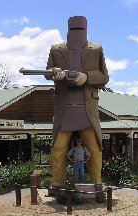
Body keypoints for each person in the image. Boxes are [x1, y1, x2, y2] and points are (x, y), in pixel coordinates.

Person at [45, 16, 109, 189]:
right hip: (64, 111)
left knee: (95, 149)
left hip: (87, 110)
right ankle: (57, 183)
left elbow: (104, 77)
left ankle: (97, 182)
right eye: (74, 29)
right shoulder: (56, 49)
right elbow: (47, 72)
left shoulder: (96, 49)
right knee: (58, 148)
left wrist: (86, 77)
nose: (77, 33)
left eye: (79, 29)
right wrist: (54, 72)